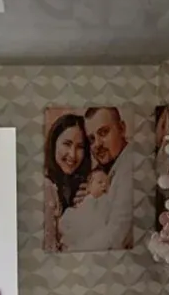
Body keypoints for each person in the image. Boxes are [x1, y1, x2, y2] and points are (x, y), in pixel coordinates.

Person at [59, 105, 134, 250]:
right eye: (92, 139)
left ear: (122, 129)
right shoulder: (110, 168)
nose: (97, 144)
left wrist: (71, 252)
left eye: (104, 132)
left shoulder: (130, 168)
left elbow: (117, 236)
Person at [42, 112, 90, 251]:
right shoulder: (47, 188)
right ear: (54, 144)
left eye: (80, 147)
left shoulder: (81, 187)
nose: (73, 154)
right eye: (67, 144)